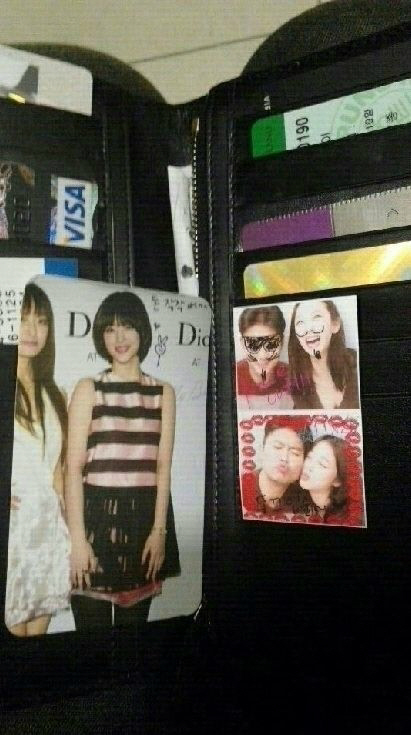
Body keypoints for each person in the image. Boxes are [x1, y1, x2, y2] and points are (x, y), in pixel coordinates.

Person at [66, 291, 180, 630]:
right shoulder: (89, 388)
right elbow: (72, 469)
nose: (119, 338)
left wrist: (158, 531)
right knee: (92, 641)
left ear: (141, 330)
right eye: (110, 329)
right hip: (94, 521)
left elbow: (163, 468)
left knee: (134, 643)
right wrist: (77, 539)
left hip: (143, 522)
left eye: (127, 327)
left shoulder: (163, 393)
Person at [5, 283, 70, 636]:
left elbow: (57, 470)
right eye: (23, 318)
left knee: (37, 648)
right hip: (14, 535)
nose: (32, 330)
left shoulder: (54, 393)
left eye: (41, 321)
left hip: (49, 536)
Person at [288, 299, 359, 409]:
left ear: (335, 324)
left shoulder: (357, 364)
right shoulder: (298, 383)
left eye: (316, 317)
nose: (308, 329)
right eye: (300, 322)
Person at [241, 420, 311, 516]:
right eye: (278, 447)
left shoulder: (308, 500)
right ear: (262, 448)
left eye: (295, 453)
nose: (284, 458)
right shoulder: (241, 486)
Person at [295, 434, 363, 526]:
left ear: (338, 480)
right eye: (310, 457)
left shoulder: (347, 521)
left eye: (322, 464)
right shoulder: (300, 507)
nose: (308, 466)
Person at [236, 305, 292, 409]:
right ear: (243, 344)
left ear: (282, 342)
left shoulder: (294, 376)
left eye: (271, 343)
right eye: (253, 344)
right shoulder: (231, 377)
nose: (262, 356)